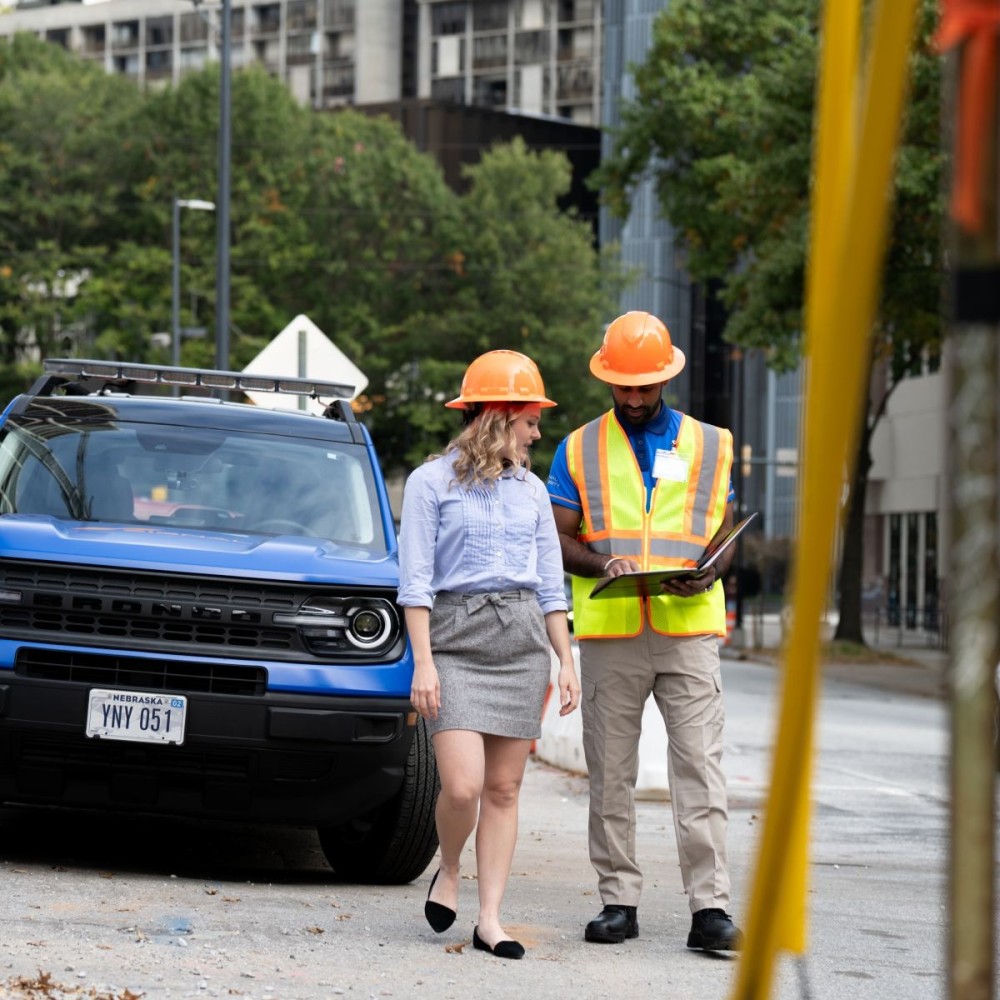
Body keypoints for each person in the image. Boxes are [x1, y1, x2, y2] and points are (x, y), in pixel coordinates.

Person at [546, 311, 743, 952]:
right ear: (608, 378)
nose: (633, 399)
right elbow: (558, 535)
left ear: (665, 378)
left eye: (644, 387)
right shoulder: (577, 448)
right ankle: (618, 901)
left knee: (700, 771)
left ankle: (710, 910)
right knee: (610, 773)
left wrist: (710, 570)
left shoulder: (711, 444)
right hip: (611, 631)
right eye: (623, 387)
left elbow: (725, 530)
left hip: (688, 629)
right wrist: (605, 562)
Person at [398, 349, 580, 961]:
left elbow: (551, 585)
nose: (536, 432)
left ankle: (491, 919)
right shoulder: (430, 482)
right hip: (454, 639)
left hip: (520, 643)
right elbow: (416, 582)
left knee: (504, 789)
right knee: (464, 786)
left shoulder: (531, 492)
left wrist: (566, 658)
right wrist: (422, 662)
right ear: (499, 416)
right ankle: (448, 866)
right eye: (530, 419)